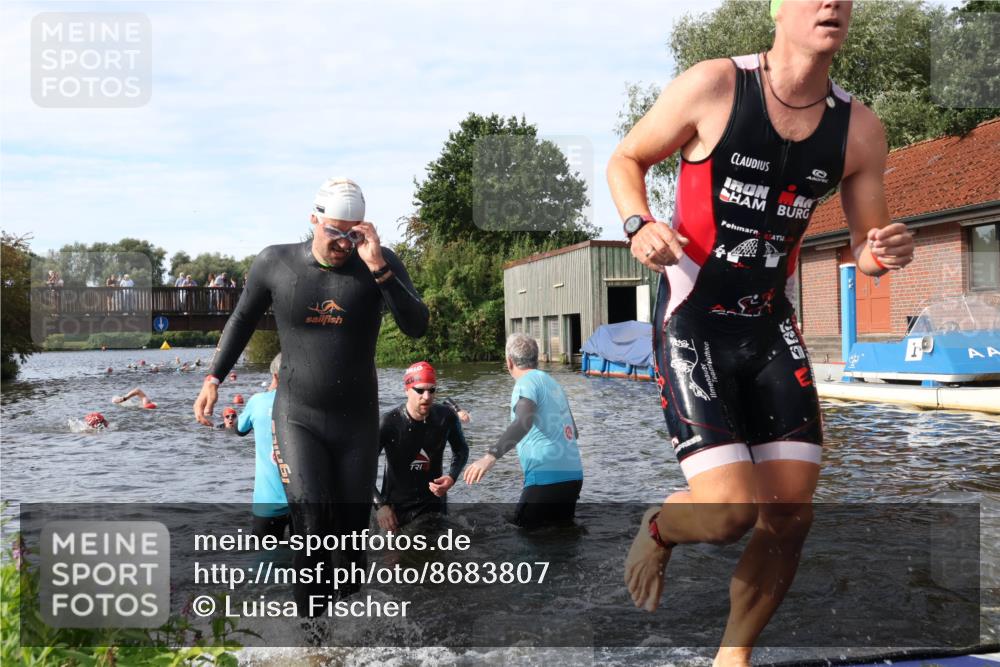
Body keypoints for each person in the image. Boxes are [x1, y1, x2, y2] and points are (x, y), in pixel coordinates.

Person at [605, 2, 915, 664]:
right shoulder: (716, 86)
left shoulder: (859, 130)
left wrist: (881, 251)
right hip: (693, 320)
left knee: (791, 515)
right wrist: (639, 224)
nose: (831, 3)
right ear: (780, 11)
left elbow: (865, 246)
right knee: (728, 513)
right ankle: (660, 525)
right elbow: (626, 159)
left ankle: (732, 656)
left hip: (770, 326)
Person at [192, 177, 428, 612]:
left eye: (353, 232)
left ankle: (350, 636)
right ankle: (313, 643)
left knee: (351, 541)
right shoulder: (276, 263)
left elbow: (417, 325)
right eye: (335, 230)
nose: (343, 242)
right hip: (298, 416)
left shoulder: (379, 263)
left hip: (356, 421)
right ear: (314, 219)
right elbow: (242, 319)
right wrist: (213, 378)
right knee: (313, 527)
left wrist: (379, 268)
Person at [464, 333, 584, 527]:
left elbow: (523, 422)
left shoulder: (525, 383)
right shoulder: (554, 384)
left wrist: (489, 457)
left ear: (509, 361)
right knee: (560, 540)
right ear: (536, 359)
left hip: (546, 478)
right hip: (573, 477)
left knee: (525, 541)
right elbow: (574, 432)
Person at [374, 362, 470, 532]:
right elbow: (362, 469)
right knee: (392, 557)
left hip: (434, 506)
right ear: (407, 390)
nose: (427, 396)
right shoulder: (389, 423)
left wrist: (451, 478)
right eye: (420, 390)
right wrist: (380, 506)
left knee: (440, 555)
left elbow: (461, 450)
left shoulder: (445, 417)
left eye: (432, 390)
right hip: (396, 510)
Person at [230, 354, 291, 538]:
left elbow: (239, 429)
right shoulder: (309, 404)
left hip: (268, 503)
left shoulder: (257, 401)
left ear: (274, 376)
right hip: (304, 502)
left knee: (265, 560)